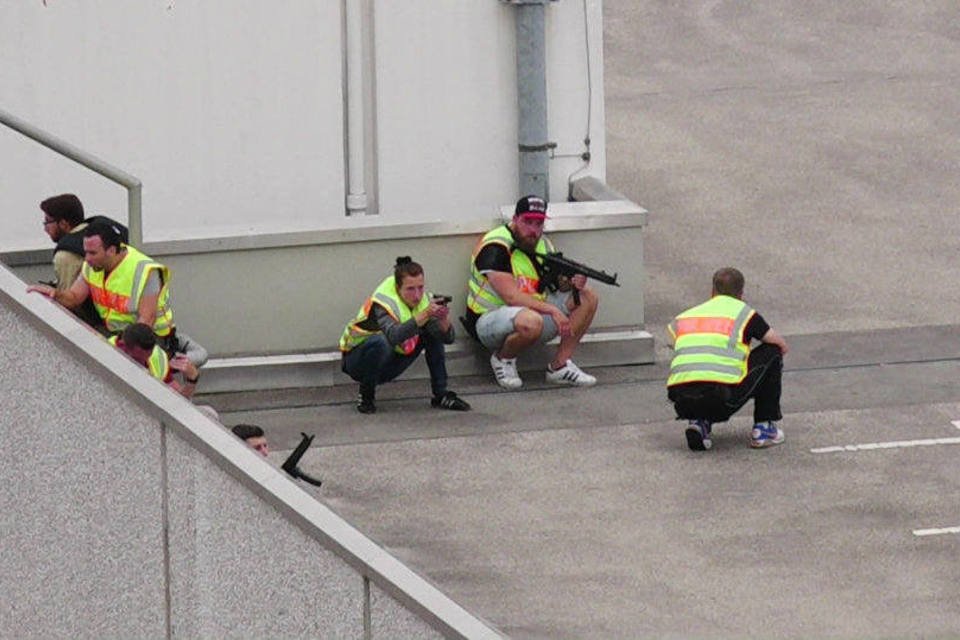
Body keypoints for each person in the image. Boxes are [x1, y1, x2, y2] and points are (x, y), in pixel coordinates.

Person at [27, 220, 208, 367]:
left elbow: (146, 322)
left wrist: (115, 349)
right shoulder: (92, 266)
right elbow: (74, 298)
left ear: (111, 250)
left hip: (149, 341)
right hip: (116, 335)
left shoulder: (145, 270)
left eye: (92, 253)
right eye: (86, 252)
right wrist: (54, 294)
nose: (87, 258)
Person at [463, 195, 599, 389]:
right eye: (527, 222)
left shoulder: (543, 244)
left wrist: (571, 283)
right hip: (489, 321)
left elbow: (552, 284)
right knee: (531, 320)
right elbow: (511, 296)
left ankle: (559, 366)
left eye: (539, 223)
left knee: (587, 296)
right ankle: (503, 359)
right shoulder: (495, 246)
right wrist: (553, 311)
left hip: (531, 315)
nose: (533, 230)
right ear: (515, 218)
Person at [666, 267, 789, 451]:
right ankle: (764, 429)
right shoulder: (744, 313)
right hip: (721, 399)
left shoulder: (685, 317)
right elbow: (779, 343)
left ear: (712, 291)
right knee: (772, 352)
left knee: (701, 371)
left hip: (681, 400)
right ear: (741, 294)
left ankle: (699, 423)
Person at [339, 256, 471, 414]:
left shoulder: (424, 301)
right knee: (381, 342)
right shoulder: (383, 303)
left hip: (390, 364)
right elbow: (393, 336)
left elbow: (448, 339)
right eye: (410, 289)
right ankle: (366, 396)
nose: (417, 295)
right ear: (397, 288)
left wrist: (443, 320)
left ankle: (441, 394)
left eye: (420, 288)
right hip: (357, 363)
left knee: (431, 333)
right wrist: (425, 315)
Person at [38, 193, 128, 330]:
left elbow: (69, 305)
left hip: (100, 327)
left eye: (47, 222)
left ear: (63, 223)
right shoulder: (104, 226)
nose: (45, 228)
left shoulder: (66, 254)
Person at [110, 322, 200, 398]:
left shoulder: (158, 357)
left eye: (148, 356)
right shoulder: (106, 352)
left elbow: (179, 400)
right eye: (138, 358)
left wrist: (192, 380)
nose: (144, 363)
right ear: (122, 345)